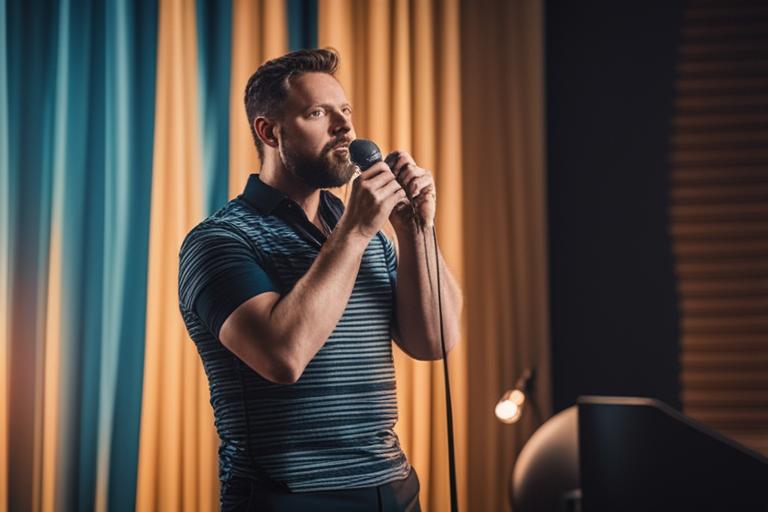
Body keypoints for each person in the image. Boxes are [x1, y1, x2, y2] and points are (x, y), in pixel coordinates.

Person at [178, 48, 462, 512]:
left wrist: (415, 231)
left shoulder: (369, 234)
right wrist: (354, 230)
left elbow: (435, 342)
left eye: (345, 111)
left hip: (392, 487)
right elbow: (282, 357)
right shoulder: (218, 241)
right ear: (269, 131)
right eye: (318, 113)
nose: (345, 128)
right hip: (288, 498)